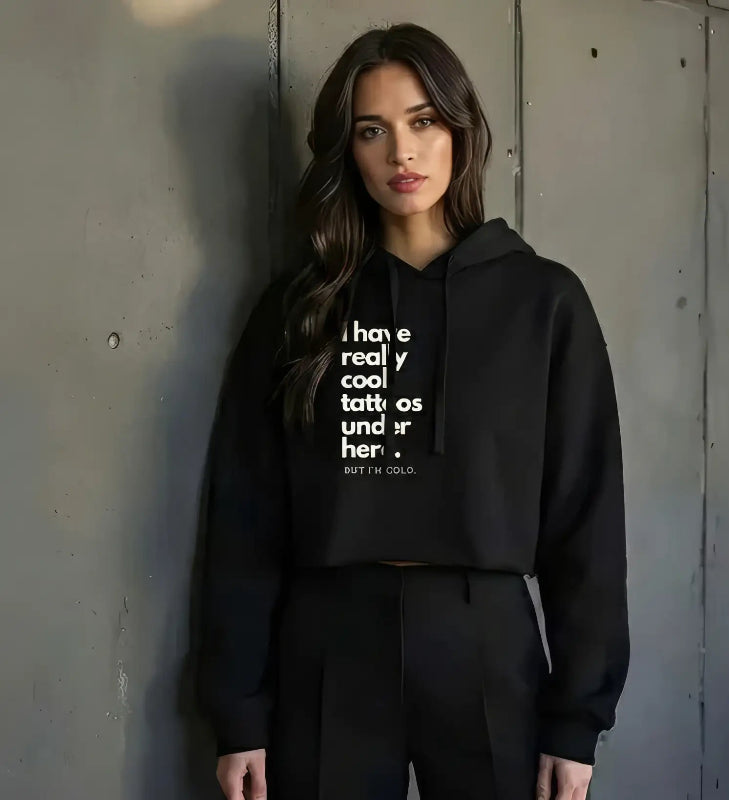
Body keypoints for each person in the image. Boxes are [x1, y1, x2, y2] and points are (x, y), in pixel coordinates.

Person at [196, 21, 629, 800]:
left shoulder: (544, 302)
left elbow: (586, 517)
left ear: (459, 129)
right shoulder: (300, 307)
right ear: (346, 151)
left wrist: (577, 719)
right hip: (328, 640)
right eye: (374, 130)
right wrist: (239, 712)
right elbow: (246, 514)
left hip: (484, 639)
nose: (402, 152)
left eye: (423, 121)